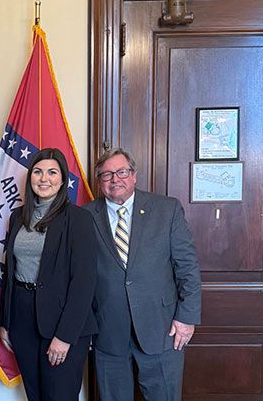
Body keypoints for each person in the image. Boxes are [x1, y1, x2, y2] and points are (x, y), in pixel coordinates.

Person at [83, 148, 201, 401]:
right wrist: (85, 326)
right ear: (99, 182)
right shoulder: (83, 216)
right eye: (106, 175)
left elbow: (187, 266)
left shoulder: (166, 209)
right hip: (107, 330)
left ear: (134, 175)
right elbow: (78, 276)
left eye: (122, 172)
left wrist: (187, 317)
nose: (115, 179)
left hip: (162, 327)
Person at [0, 148, 98, 401]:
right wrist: (6, 321)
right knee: (35, 394)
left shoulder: (79, 219)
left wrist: (64, 337)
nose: (44, 178)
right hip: (22, 319)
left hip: (62, 322)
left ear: (63, 180)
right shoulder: (19, 216)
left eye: (52, 172)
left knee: (60, 395)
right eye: (38, 171)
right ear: (30, 176)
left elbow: (84, 283)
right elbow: (10, 271)